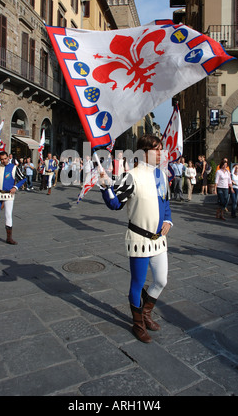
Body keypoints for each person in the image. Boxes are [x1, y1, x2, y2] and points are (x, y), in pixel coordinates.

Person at [99, 134, 173, 344]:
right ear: (143, 152)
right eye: (156, 149)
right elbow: (115, 204)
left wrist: (168, 219)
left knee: (161, 280)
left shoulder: (161, 175)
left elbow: (165, 202)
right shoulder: (129, 176)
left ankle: (147, 313)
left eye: (161, 149)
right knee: (137, 282)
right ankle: (138, 323)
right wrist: (106, 187)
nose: (160, 153)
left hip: (159, 239)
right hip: (139, 239)